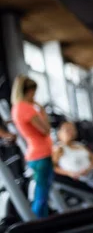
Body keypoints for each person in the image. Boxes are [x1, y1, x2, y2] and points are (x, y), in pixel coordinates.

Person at [10, 76, 53, 218]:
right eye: (34, 92)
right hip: (41, 155)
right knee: (41, 197)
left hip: (36, 154)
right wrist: (41, 110)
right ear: (28, 91)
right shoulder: (26, 108)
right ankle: (38, 225)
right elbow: (46, 129)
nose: (34, 96)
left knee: (42, 195)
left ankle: (41, 223)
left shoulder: (17, 108)